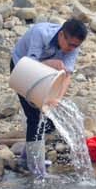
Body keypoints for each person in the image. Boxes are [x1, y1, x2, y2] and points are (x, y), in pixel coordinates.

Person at [10, 17, 89, 176]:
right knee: (34, 117)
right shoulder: (40, 33)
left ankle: (27, 156)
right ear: (61, 35)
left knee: (50, 117)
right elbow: (29, 63)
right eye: (70, 45)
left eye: (76, 46)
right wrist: (50, 62)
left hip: (49, 73)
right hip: (21, 67)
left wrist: (57, 99)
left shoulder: (73, 46)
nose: (72, 49)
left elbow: (67, 75)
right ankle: (37, 170)